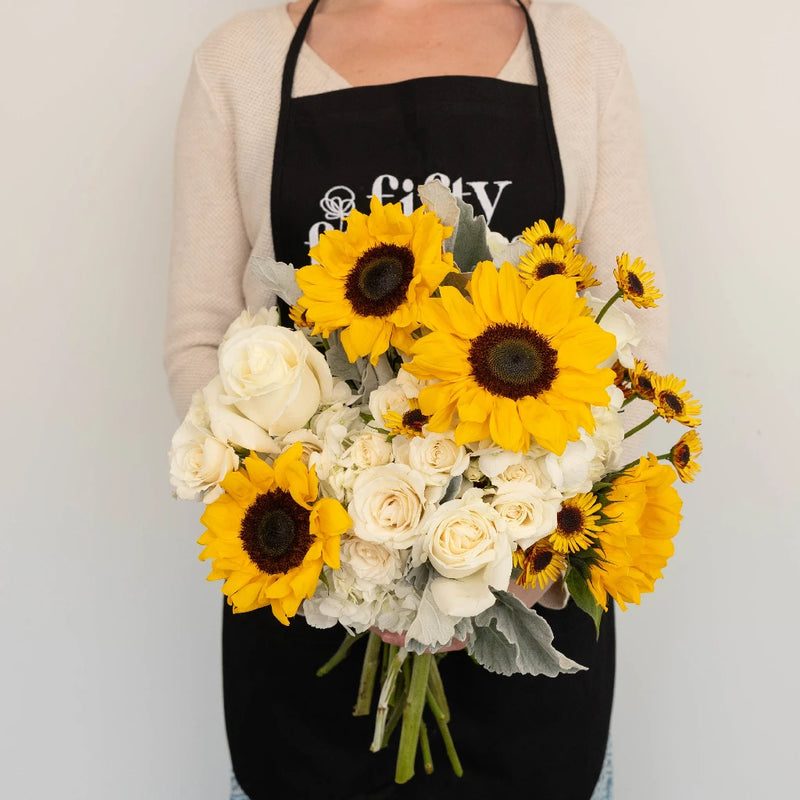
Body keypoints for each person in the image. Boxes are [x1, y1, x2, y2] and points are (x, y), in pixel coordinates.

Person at [164, 1, 667, 797]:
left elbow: (631, 334)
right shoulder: (239, 64)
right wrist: (353, 562)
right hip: (312, 611)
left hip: (533, 601)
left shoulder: (580, 58)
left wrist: (521, 547)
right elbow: (200, 338)